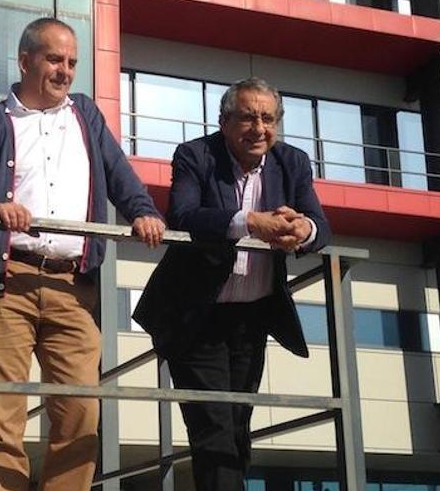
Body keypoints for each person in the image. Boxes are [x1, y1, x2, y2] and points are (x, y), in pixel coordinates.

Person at [0, 17, 166, 491]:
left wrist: (143, 212)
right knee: (0, 414)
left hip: (74, 287)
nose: (65, 70)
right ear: (25, 61)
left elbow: (120, 172)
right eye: (54, 59)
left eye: (71, 62)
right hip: (4, 283)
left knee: (79, 412)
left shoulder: (86, 115)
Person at [133, 77, 331, 491]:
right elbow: (183, 215)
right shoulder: (194, 155)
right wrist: (248, 222)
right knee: (214, 426)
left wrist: (304, 229)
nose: (259, 128)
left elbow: (321, 225)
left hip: (251, 319)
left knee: (238, 429)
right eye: (247, 117)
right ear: (224, 122)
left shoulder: (292, 162)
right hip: (196, 317)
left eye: (268, 118)